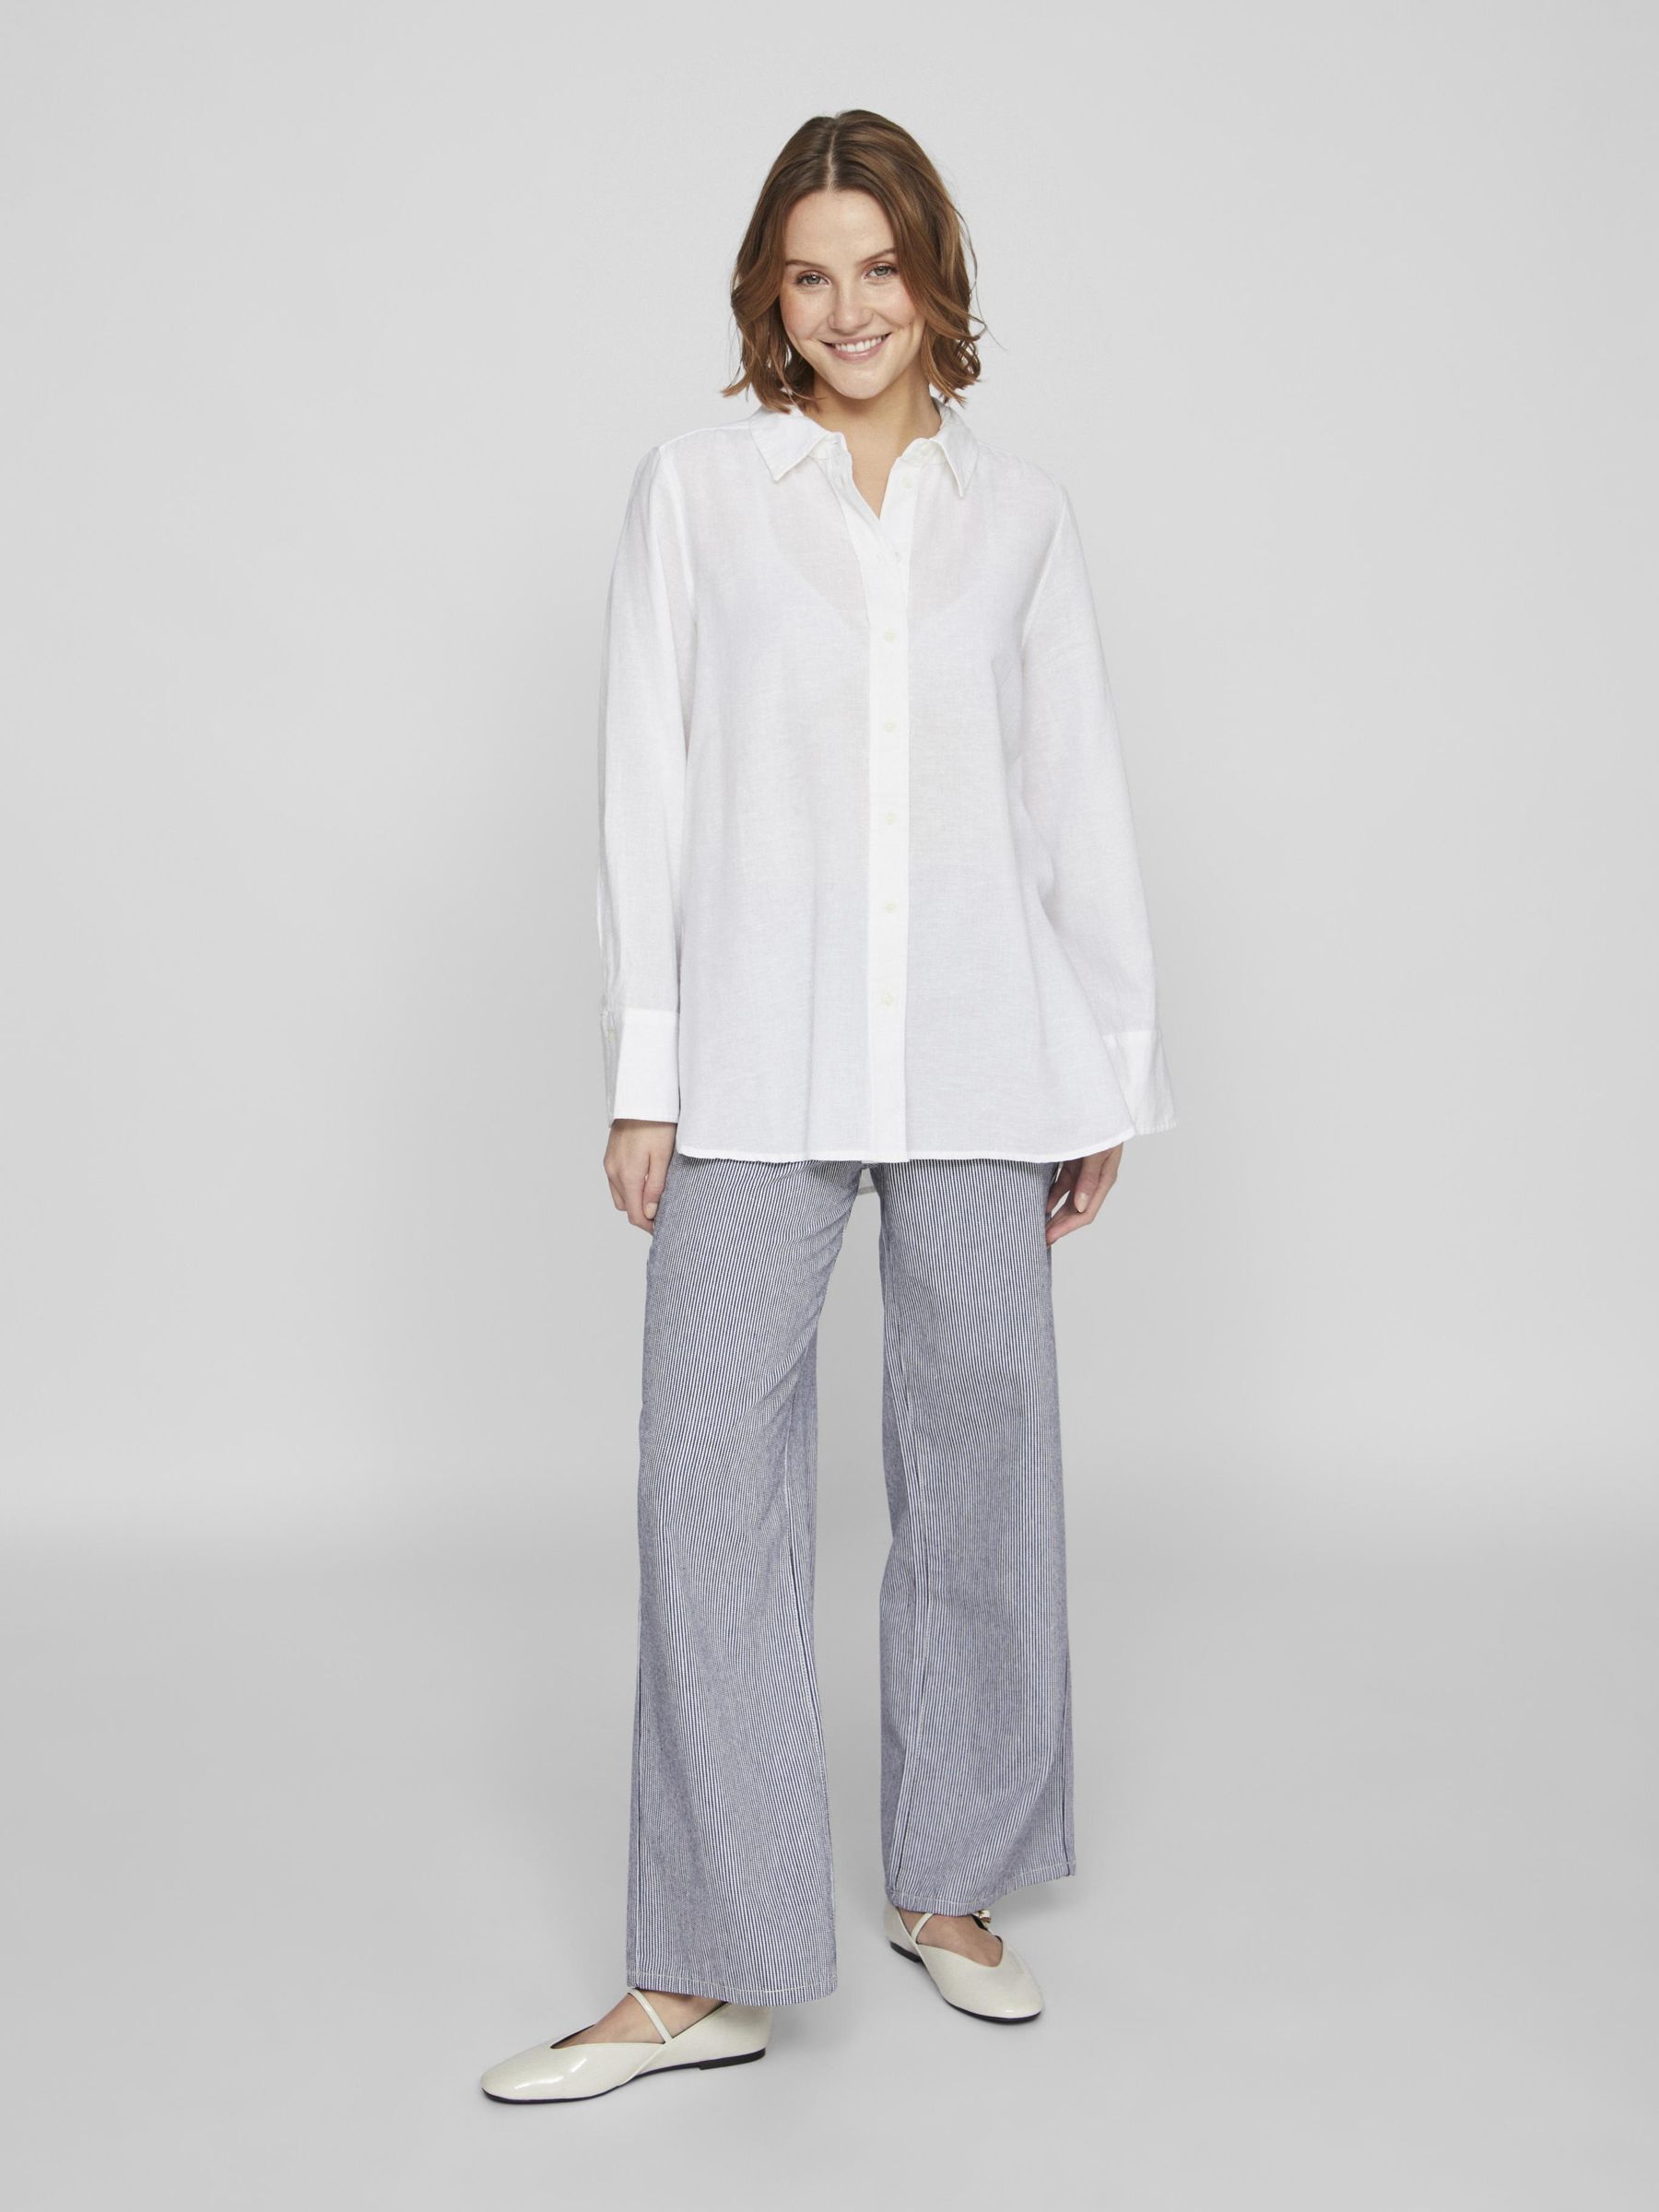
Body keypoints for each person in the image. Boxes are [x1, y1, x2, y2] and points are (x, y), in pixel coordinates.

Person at [480, 107, 1178, 2104]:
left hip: (980, 1050)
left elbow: (1072, 799)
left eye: (881, 269)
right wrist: (646, 1071)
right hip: (755, 1057)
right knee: (706, 1476)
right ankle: (706, 1963)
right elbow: (646, 784)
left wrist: (1099, 1067)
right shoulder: (702, 493)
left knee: (983, 1454)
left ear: (935, 282)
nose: (850, 309)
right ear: (767, 296)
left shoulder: (1018, 518)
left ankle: (948, 1881)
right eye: (812, 274)